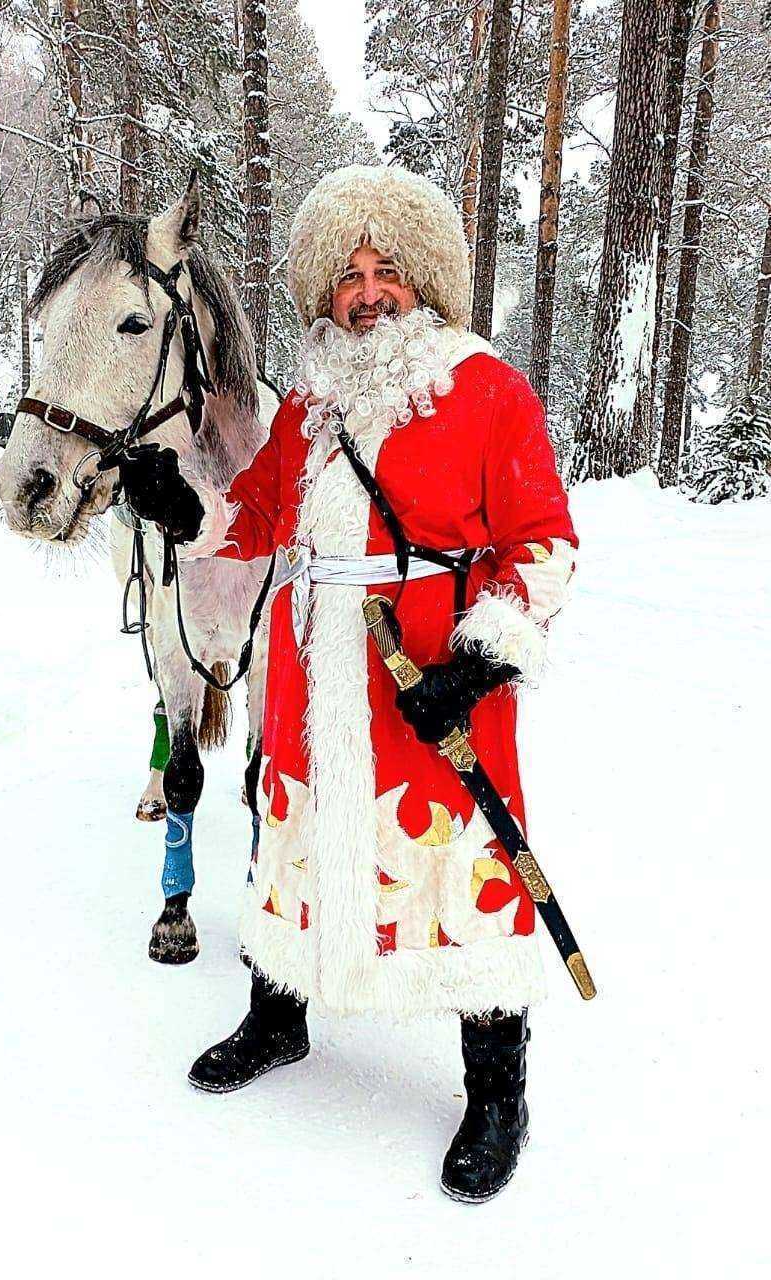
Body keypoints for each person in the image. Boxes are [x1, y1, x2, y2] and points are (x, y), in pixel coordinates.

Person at [152, 165, 578, 1202]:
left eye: (388, 270)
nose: (369, 290)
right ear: (323, 293)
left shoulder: (486, 388)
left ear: (423, 278)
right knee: (290, 841)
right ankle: (278, 1015)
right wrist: (177, 503)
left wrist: (476, 663)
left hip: (430, 684)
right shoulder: (309, 403)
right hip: (313, 682)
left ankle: (494, 1089)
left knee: (460, 868)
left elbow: (546, 542)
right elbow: (251, 517)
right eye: (348, 275)